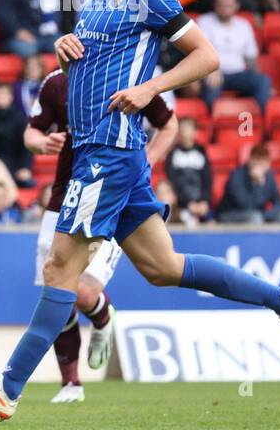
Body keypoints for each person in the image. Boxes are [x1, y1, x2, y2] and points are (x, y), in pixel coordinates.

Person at [0, 0, 280, 420]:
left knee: (59, 267)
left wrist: (152, 89)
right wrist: (66, 52)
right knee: (164, 268)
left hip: (108, 152)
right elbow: (91, 72)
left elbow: (208, 56)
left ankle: (7, 389)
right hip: (115, 152)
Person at [24, 63, 177, 403]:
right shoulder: (56, 82)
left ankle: (103, 315)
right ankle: (72, 383)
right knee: (56, 293)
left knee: (79, 291)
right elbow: (31, 132)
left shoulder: (131, 77)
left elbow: (168, 125)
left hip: (112, 199)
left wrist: (146, 161)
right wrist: (41, 143)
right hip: (63, 199)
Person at [196, 0, 270, 112]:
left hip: (238, 74)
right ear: (215, 5)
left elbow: (251, 58)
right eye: (221, 5)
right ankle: (213, 126)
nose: (225, 9)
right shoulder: (204, 21)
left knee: (263, 81)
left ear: (236, 6)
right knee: (211, 89)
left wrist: (256, 75)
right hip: (213, 73)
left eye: (228, 5)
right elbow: (198, 52)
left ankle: (260, 124)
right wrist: (209, 71)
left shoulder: (244, 25)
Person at [217, 144, 280, 224]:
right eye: (257, 162)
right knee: (255, 218)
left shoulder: (269, 176)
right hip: (230, 214)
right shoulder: (236, 176)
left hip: (260, 215)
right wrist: (258, 183)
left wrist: (267, 215)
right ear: (250, 161)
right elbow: (246, 205)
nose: (259, 167)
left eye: (263, 163)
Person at [165, 115, 212, 225]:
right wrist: (187, 204)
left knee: (212, 223)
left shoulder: (201, 153)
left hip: (200, 205)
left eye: (188, 128)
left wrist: (205, 201)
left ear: (196, 132)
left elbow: (207, 180)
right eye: (182, 128)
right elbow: (172, 182)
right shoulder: (173, 154)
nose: (184, 132)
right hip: (180, 205)